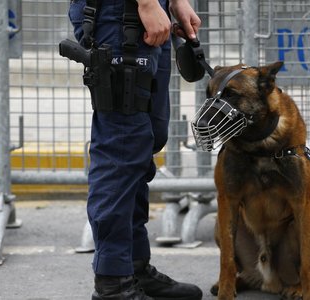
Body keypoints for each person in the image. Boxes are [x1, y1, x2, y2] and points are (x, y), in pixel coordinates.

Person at [67, 0, 202, 299]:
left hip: (142, 12)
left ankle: (133, 268)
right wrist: (147, 3)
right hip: (121, 12)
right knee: (122, 147)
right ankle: (113, 284)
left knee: (144, 140)